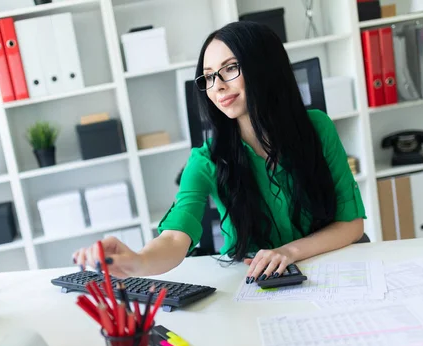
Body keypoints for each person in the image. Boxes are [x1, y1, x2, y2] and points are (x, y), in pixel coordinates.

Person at [72, 21, 366, 283]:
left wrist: (288, 252)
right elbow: (176, 236)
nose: (218, 86)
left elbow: (351, 225)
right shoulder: (206, 160)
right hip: (260, 279)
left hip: (331, 266)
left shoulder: (317, 127)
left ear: (263, 66)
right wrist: (138, 262)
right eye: (209, 76)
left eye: (230, 68)